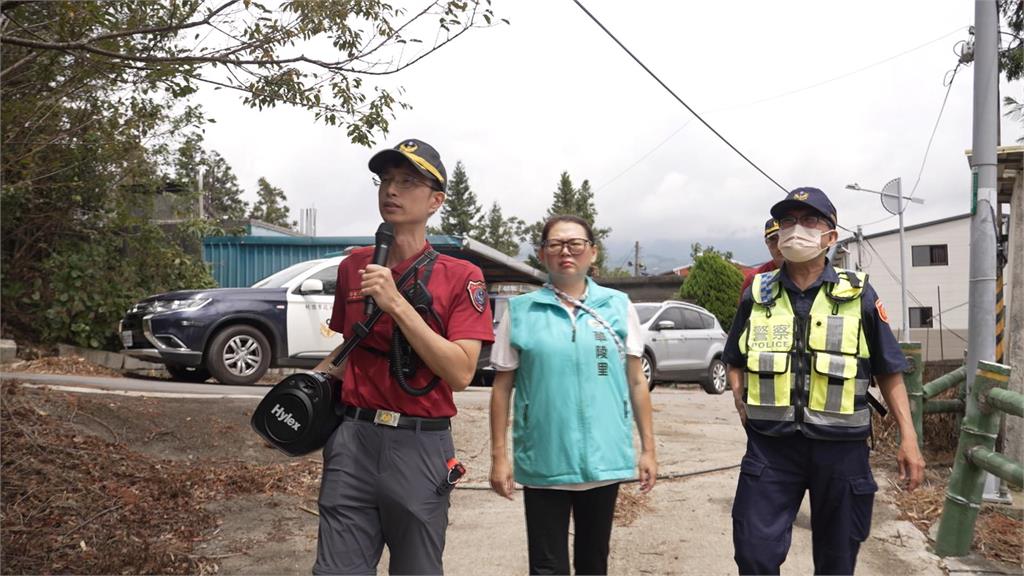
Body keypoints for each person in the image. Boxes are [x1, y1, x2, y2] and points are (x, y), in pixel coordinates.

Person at [313, 138, 494, 575]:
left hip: (420, 444)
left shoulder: (462, 277)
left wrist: (396, 303)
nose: (391, 190)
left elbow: (461, 371)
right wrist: (302, 394)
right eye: (386, 180)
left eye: (408, 182)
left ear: (435, 201)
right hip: (353, 440)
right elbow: (350, 349)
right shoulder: (354, 266)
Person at [723, 187, 925, 575]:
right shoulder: (757, 295)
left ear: (830, 236)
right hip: (771, 448)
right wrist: (738, 394)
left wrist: (909, 438)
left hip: (841, 452)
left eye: (809, 220)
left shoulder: (858, 295)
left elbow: (888, 369)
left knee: (836, 561)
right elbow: (734, 358)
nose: (796, 228)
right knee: (753, 552)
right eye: (788, 221)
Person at [488, 215, 657, 575]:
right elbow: (502, 388)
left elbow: (636, 381)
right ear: (542, 254)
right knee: (546, 566)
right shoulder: (521, 311)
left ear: (592, 252)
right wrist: (499, 457)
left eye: (575, 244)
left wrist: (648, 450)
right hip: (544, 459)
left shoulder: (617, 305)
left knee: (594, 563)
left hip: (604, 459)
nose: (566, 251)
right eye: (556, 244)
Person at [740, 218, 784, 295]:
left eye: (784, 237)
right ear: (767, 243)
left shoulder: (806, 274)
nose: (779, 244)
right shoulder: (754, 279)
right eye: (773, 239)